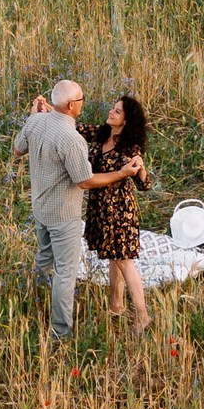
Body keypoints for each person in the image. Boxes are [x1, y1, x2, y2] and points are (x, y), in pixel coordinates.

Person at [10, 80, 142, 341]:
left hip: (40, 207)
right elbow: (84, 180)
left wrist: (35, 115)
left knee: (44, 256)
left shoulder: (35, 122)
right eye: (81, 100)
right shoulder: (72, 140)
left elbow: (17, 149)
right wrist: (121, 173)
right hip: (63, 215)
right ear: (72, 105)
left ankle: (33, 298)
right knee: (65, 273)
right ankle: (61, 331)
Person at [81, 94, 151, 333]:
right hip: (101, 209)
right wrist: (51, 109)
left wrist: (140, 169)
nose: (111, 112)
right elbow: (76, 128)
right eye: (112, 108)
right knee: (114, 258)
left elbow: (144, 184)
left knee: (123, 260)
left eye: (117, 111)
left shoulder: (130, 148)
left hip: (120, 210)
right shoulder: (102, 134)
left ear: (127, 120)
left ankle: (142, 315)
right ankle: (116, 305)